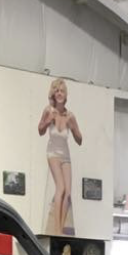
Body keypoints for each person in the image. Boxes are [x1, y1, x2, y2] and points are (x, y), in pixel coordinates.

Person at [38, 78, 82, 235]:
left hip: (65, 155)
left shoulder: (70, 116)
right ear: (53, 94)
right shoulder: (48, 111)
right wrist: (48, 121)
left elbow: (79, 140)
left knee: (68, 192)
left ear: (65, 94)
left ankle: (61, 227)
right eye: (56, 91)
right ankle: (56, 229)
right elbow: (40, 130)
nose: (59, 93)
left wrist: (73, 128)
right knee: (61, 188)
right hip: (53, 154)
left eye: (62, 91)